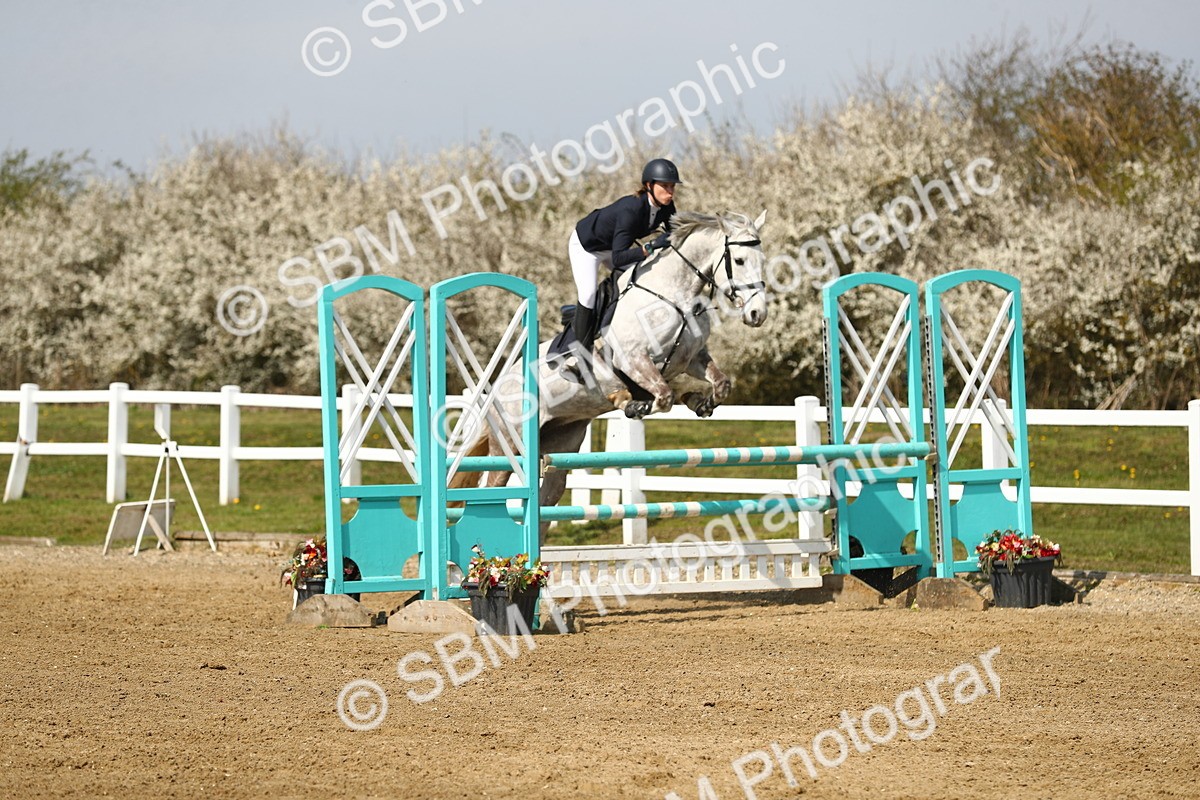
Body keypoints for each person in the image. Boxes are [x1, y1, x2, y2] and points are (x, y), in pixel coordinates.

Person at [567, 158, 683, 347]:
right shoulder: (631, 209)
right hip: (587, 247)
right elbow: (619, 258)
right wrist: (651, 246)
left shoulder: (667, 207)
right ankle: (581, 352)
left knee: (644, 277)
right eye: (665, 186)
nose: (670, 192)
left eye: (672, 187)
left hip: (613, 247)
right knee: (588, 294)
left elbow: (676, 235)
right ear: (649, 185)